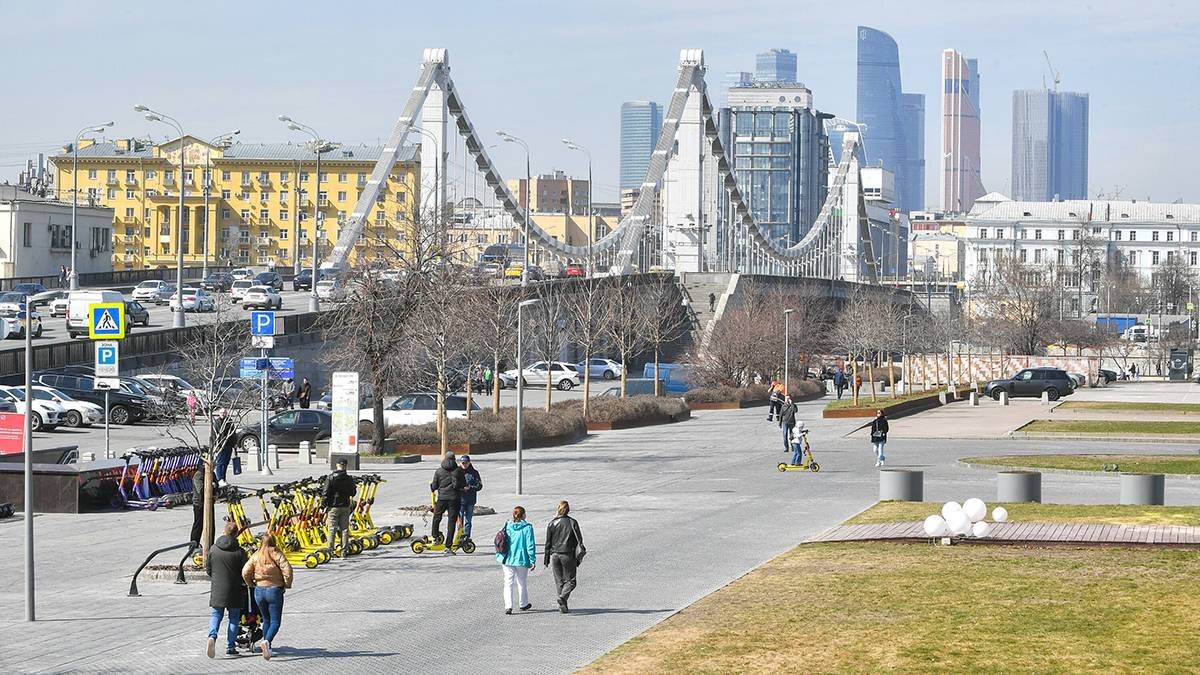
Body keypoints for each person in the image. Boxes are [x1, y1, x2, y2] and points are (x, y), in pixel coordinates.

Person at [241, 533, 293, 660]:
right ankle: (267, 642)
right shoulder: (277, 553)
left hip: (259, 590)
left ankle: (268, 647)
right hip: (275, 590)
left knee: (266, 620)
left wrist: (251, 583)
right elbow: (287, 570)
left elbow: (245, 571)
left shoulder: (256, 555)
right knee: (275, 621)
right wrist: (286, 584)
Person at [206, 521, 249, 658]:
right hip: (235, 589)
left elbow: (208, 569)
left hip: (217, 588)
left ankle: (212, 636)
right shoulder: (240, 552)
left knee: (216, 615)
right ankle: (230, 647)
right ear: (236, 534)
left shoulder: (213, 549)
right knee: (234, 618)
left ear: (224, 531)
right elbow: (245, 572)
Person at [544, 500, 585, 613]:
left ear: (558, 509)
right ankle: (562, 598)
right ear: (568, 510)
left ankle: (562, 605)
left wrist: (546, 559)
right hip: (567, 554)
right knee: (571, 581)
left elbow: (548, 542)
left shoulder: (552, 523)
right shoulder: (572, 522)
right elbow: (579, 540)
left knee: (559, 581)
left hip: (555, 555)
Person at [496, 505, 537, 614]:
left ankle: (508, 606)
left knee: (508, 582)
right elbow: (530, 545)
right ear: (523, 515)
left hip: (507, 558)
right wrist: (532, 560)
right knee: (521, 582)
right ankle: (523, 604)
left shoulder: (507, 524)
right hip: (521, 559)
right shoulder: (527, 527)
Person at [430, 451, 464, 554]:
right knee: (451, 522)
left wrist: (432, 485)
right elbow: (462, 484)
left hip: (442, 499)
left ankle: (435, 536)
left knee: (437, 517)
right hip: (454, 499)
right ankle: (448, 546)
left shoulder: (439, 471)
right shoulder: (458, 471)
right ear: (454, 459)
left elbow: (434, 487)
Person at [322, 458, 357, 558]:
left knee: (332, 528)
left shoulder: (331, 478)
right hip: (345, 505)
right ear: (346, 466)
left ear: (337, 465)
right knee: (344, 529)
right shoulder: (349, 479)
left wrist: (323, 505)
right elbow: (353, 493)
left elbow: (325, 493)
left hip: (333, 506)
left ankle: (330, 550)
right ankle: (344, 551)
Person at [458, 455, 483, 541]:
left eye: (466, 463)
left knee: (468, 520)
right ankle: (459, 536)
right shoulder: (457, 472)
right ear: (460, 463)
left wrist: (470, 488)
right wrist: (462, 488)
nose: (464, 464)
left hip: (470, 500)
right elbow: (454, 485)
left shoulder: (474, 473)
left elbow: (479, 486)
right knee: (460, 520)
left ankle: (466, 536)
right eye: (463, 463)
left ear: (469, 463)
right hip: (460, 500)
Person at [212, 409, 237, 486]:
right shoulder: (216, 422)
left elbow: (233, 434)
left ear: (226, 414)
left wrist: (235, 444)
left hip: (228, 445)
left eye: (224, 413)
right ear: (219, 414)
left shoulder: (229, 422)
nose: (223, 414)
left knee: (226, 463)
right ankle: (220, 479)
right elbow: (214, 435)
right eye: (221, 413)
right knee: (220, 463)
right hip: (220, 445)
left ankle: (224, 478)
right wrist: (216, 445)